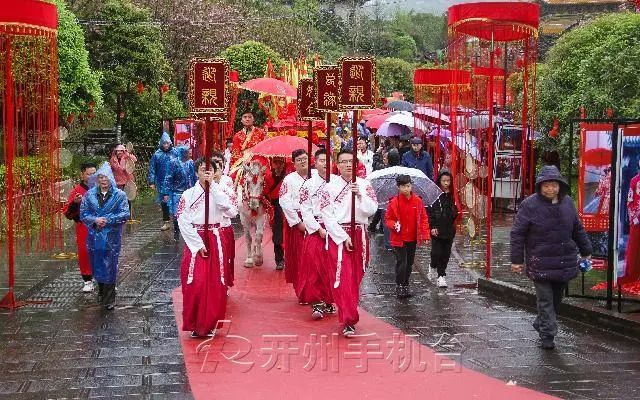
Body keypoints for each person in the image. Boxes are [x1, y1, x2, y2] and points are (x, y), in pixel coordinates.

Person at [510, 166, 592, 350]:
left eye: (553, 185)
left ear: (559, 185)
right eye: (546, 185)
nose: (550, 189)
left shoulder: (568, 203)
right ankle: (548, 335)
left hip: (564, 261)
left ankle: (542, 322)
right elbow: (517, 234)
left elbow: (577, 229)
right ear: (540, 186)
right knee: (545, 300)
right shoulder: (529, 205)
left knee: (556, 299)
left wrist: (586, 249)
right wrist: (516, 261)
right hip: (540, 262)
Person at [318, 150, 378, 337]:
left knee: (355, 277)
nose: (347, 165)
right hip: (339, 235)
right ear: (337, 164)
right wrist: (343, 237)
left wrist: (360, 195)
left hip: (359, 233)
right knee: (342, 278)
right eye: (343, 162)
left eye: (351, 161)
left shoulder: (364, 185)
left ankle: (348, 311)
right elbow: (326, 216)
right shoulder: (329, 187)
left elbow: (372, 210)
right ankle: (349, 319)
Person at [177, 158, 236, 338]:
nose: (207, 173)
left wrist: (214, 189)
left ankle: (210, 323)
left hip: (215, 237)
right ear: (196, 172)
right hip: (196, 239)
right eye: (203, 169)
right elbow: (182, 219)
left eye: (210, 169)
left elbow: (231, 211)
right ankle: (195, 322)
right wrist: (197, 244)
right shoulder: (188, 194)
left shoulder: (222, 191)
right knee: (195, 282)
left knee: (215, 282)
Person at [80, 163, 130, 310]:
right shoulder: (89, 195)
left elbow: (125, 214)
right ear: (97, 179)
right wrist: (95, 220)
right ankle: (101, 292)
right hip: (94, 237)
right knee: (97, 265)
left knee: (110, 266)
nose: (103, 180)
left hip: (112, 237)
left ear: (111, 179)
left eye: (106, 177)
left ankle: (109, 299)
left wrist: (108, 220)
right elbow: (84, 214)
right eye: (101, 177)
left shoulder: (120, 195)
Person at [299, 149, 338, 319]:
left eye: (327, 160)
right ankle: (316, 302)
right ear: (315, 162)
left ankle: (329, 300)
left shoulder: (337, 182)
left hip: (334, 228)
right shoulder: (308, 184)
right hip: (316, 228)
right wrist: (317, 228)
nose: (325, 163)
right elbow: (305, 210)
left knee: (332, 265)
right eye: (321, 160)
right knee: (314, 266)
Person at [384, 175, 430, 298]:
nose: (406, 189)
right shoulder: (394, 202)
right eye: (403, 186)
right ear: (398, 187)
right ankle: (400, 285)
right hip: (399, 238)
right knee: (402, 262)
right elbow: (388, 219)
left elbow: (423, 218)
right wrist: (394, 225)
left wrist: (425, 234)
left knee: (409, 263)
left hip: (413, 238)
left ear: (411, 186)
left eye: (408, 186)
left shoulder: (418, 201)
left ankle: (405, 284)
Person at [279, 149, 314, 298]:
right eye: (299, 159)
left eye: (305, 158)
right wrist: (297, 222)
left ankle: (315, 290)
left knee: (314, 256)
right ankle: (302, 290)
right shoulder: (289, 179)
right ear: (293, 163)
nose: (302, 161)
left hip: (314, 218)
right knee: (300, 256)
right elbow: (284, 201)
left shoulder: (315, 177)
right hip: (297, 218)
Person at [63, 162, 97, 292]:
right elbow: (68, 213)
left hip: (101, 226)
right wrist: (75, 203)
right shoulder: (76, 191)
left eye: (94, 173)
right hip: (84, 227)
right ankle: (88, 280)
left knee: (103, 252)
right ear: (82, 175)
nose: (92, 176)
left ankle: (105, 280)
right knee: (84, 252)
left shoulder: (102, 187)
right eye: (89, 174)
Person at [427, 171, 459, 288]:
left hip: (449, 229)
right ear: (439, 181)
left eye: (448, 181)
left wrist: (454, 211)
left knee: (445, 254)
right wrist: (432, 226)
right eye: (444, 181)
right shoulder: (434, 195)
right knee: (436, 252)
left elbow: (456, 210)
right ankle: (432, 264)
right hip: (437, 229)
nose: (446, 183)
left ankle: (441, 276)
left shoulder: (452, 195)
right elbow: (430, 212)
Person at [211, 151, 239, 288]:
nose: (215, 171)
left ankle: (223, 283)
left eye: (219, 167)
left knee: (225, 258)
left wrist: (221, 206)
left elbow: (234, 211)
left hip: (223, 228)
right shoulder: (199, 187)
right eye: (212, 167)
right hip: (207, 230)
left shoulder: (227, 185)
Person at [163, 146, 196, 241]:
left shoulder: (190, 163)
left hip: (188, 192)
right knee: (176, 213)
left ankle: (188, 231)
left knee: (189, 212)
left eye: (189, 152)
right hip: (176, 192)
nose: (189, 154)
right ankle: (176, 231)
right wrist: (166, 193)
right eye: (187, 152)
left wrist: (196, 189)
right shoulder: (173, 163)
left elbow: (194, 177)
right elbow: (168, 178)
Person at [148, 132, 177, 231]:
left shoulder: (175, 153)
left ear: (170, 143)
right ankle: (166, 222)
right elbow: (152, 168)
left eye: (167, 143)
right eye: (163, 143)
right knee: (164, 202)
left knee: (175, 201)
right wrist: (151, 182)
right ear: (161, 143)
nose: (165, 145)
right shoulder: (157, 154)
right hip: (162, 183)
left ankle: (177, 221)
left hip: (174, 182)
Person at [263, 156, 287, 270]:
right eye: (276, 163)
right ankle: (279, 260)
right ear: (272, 164)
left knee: (289, 233)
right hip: (275, 207)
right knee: (277, 234)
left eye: (281, 163)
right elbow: (264, 193)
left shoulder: (288, 177)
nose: (278, 165)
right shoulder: (267, 177)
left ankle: (290, 257)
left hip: (287, 207)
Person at [620, 163, 640, 285]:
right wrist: (635, 217)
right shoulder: (634, 180)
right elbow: (630, 200)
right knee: (635, 246)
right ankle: (633, 272)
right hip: (637, 219)